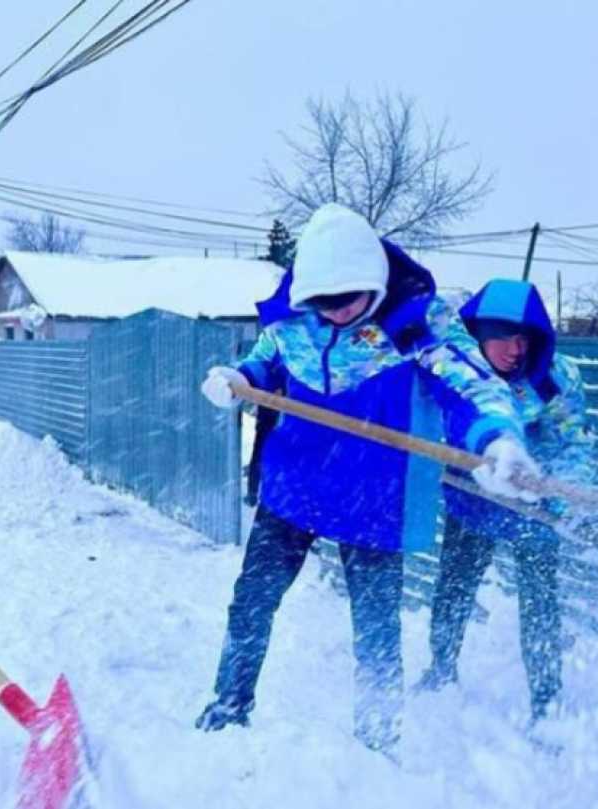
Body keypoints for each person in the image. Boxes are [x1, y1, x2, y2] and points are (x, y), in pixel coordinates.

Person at [195, 204, 537, 754]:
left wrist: (496, 439)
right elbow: (265, 361)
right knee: (251, 602)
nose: (332, 314)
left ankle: (376, 744)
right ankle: (227, 707)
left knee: (376, 633)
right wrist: (239, 378)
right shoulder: (291, 319)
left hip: (375, 499)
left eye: (346, 301)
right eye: (320, 303)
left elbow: (474, 386)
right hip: (295, 486)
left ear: (374, 283)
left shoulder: (420, 325)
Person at [417, 279, 591, 725]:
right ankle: (440, 669)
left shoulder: (554, 377)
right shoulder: (457, 370)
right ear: (477, 335)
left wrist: (557, 495)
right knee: (454, 588)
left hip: (533, 507)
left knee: (540, 605)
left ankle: (546, 701)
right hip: (471, 497)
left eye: (524, 339)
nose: (516, 350)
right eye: (503, 339)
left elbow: (571, 445)